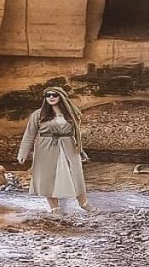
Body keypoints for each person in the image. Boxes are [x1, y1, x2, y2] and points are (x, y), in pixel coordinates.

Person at [16, 86, 96, 214]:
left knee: (76, 175)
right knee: (49, 176)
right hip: (46, 147)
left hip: (68, 146)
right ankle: (55, 208)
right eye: (48, 95)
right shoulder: (38, 114)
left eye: (54, 95)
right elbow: (29, 134)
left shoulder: (70, 114)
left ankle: (84, 203)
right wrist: (23, 153)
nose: (51, 97)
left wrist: (81, 150)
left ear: (61, 97)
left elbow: (76, 133)